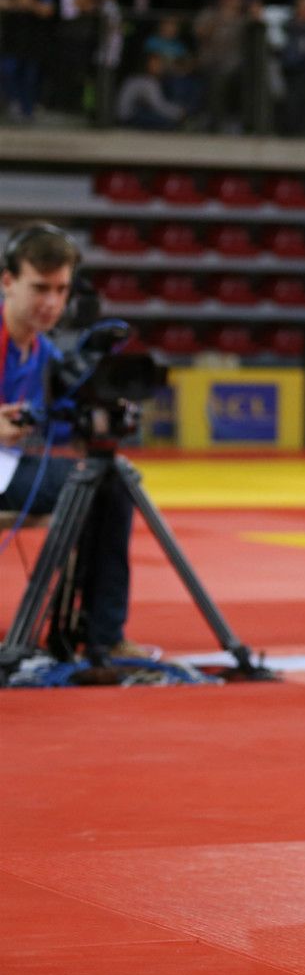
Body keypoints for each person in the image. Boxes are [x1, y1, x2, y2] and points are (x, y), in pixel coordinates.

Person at [0, 226, 139, 661]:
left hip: (9, 470)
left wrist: (101, 413)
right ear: (8, 282)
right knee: (103, 483)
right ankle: (102, 635)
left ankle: (99, 635)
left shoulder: (42, 352)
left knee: (111, 479)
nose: (51, 302)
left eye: (61, 290)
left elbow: (60, 420)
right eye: (39, 288)